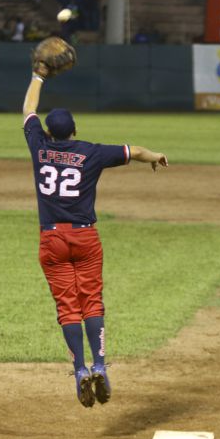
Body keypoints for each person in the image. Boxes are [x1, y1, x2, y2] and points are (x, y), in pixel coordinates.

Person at [21, 60, 168, 408]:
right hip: (86, 239)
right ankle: (100, 364)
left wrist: (38, 75)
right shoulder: (90, 152)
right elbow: (134, 151)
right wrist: (155, 156)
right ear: (74, 130)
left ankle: (79, 371)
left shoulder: (39, 146)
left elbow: (28, 109)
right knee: (92, 301)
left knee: (67, 307)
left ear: (50, 131)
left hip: (52, 239)